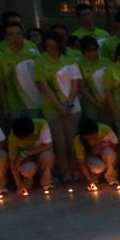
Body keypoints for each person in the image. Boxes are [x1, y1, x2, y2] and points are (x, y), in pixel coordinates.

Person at [34, 33, 82, 180]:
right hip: (52, 108)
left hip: (72, 107)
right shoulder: (40, 62)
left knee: (73, 140)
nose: (52, 49)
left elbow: (75, 84)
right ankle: (64, 170)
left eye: (54, 47)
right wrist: (59, 107)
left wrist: (68, 104)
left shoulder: (70, 61)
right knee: (59, 141)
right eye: (48, 47)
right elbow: (44, 87)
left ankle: (77, 169)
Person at [0, 23, 41, 123]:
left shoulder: (33, 52)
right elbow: (1, 84)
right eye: (11, 34)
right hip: (14, 104)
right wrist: (5, 106)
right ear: (6, 37)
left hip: (34, 100)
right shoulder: (0, 58)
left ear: (23, 35)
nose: (15, 37)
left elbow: (40, 78)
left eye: (18, 33)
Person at [7, 116, 54, 194]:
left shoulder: (42, 124)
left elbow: (47, 145)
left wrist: (24, 153)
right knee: (27, 170)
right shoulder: (12, 137)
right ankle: (27, 180)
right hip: (26, 160)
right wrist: (19, 184)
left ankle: (47, 181)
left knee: (48, 157)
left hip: (41, 153)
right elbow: (12, 162)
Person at [73, 118, 119, 189]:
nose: (92, 138)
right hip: (91, 158)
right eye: (89, 137)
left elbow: (115, 145)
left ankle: (111, 176)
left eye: (93, 135)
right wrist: (89, 180)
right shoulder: (77, 140)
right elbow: (81, 162)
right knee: (98, 168)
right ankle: (94, 176)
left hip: (104, 151)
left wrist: (101, 144)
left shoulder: (105, 129)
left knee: (110, 153)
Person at [77, 37, 109, 123]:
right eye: (89, 50)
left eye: (94, 49)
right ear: (83, 51)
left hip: (107, 101)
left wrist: (107, 100)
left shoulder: (107, 62)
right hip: (90, 103)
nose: (92, 52)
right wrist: (95, 102)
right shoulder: (79, 64)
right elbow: (82, 87)